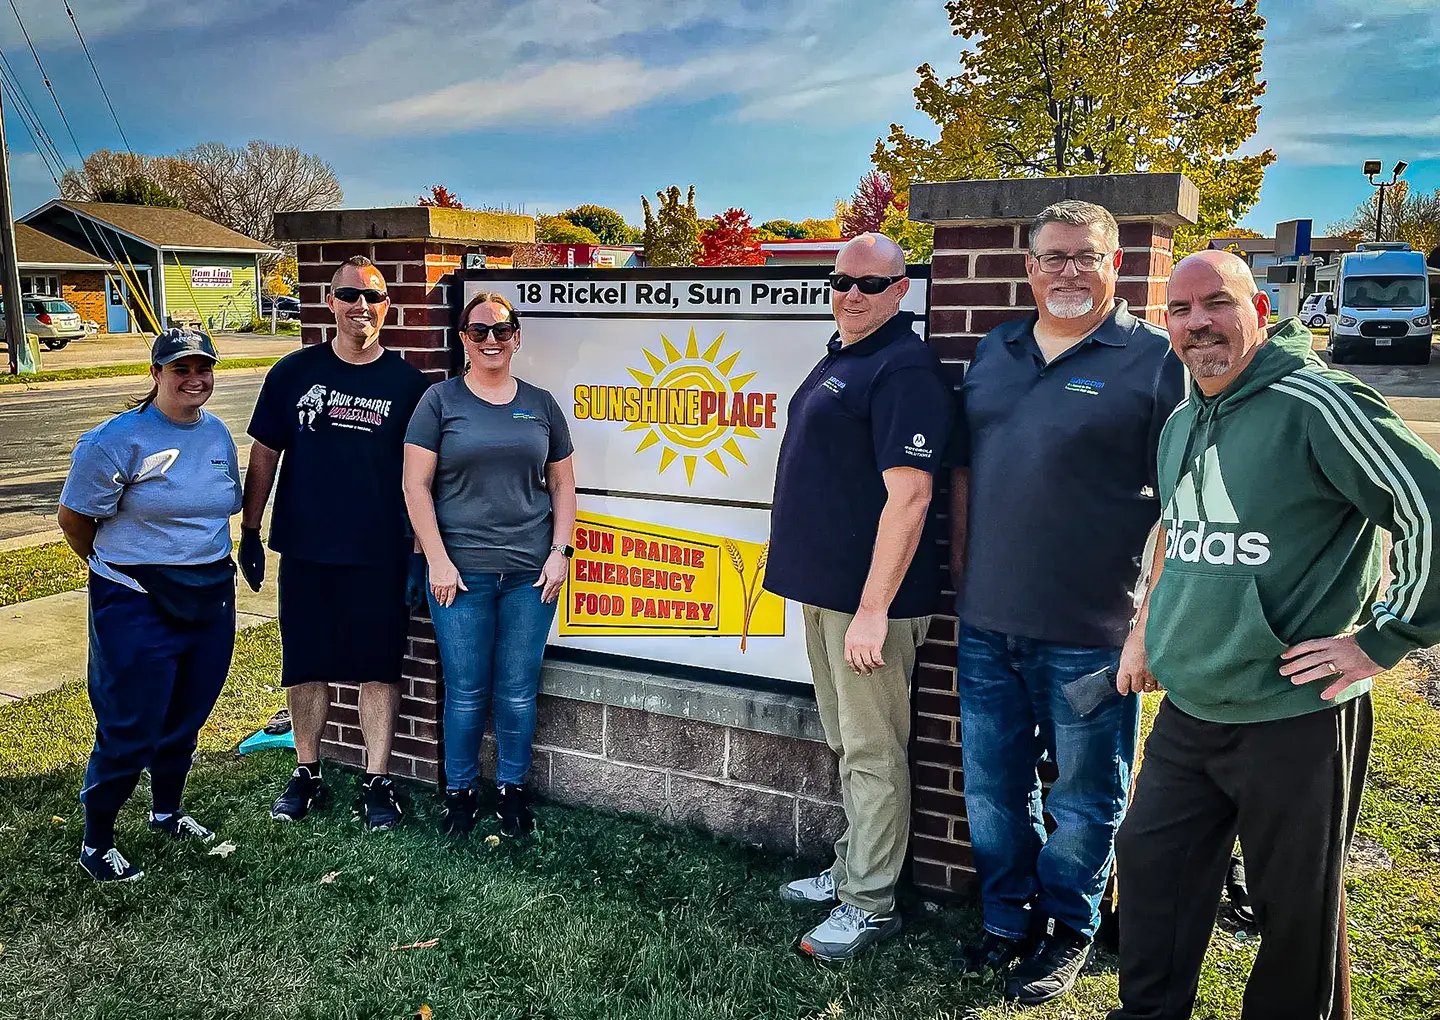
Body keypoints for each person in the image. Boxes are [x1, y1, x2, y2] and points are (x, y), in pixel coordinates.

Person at [1108, 250, 1440, 1020]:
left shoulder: (1317, 402)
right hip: (1193, 708)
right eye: (1181, 311)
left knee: (1295, 908)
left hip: (1296, 711)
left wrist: (1382, 641)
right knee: (1154, 867)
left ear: (1258, 306)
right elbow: (1177, 538)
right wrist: (1145, 633)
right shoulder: (1184, 420)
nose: (1199, 324)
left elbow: (1429, 510)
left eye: (1216, 304)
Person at [948, 199, 1185, 1004]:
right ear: (1028, 268)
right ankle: (1004, 918)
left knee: (1085, 799)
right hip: (986, 624)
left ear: (1115, 264)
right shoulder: (996, 348)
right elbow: (970, 476)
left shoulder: (1155, 360)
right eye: (1052, 256)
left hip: (1093, 631)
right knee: (990, 789)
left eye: (1085, 255)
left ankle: (1069, 929)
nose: (1068, 271)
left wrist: (1148, 623)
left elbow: (1183, 505)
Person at [765, 233, 953, 961]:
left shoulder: (905, 369)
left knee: (873, 752)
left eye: (869, 285)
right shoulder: (848, 353)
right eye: (839, 279)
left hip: (872, 605)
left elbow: (910, 500)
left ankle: (871, 904)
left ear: (902, 291)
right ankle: (851, 869)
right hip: (828, 594)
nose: (849, 293)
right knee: (848, 744)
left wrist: (874, 610)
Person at [239, 256, 430, 831]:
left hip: (379, 552)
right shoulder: (292, 374)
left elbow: (423, 476)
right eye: (349, 296)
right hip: (306, 548)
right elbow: (265, 454)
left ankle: (378, 781)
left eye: (372, 297)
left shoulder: (407, 385)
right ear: (330, 302)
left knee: (379, 668)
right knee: (304, 666)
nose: (360, 307)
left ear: (386, 306)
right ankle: (307, 772)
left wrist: (420, 552)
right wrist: (249, 530)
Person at [57, 328, 242, 882]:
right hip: (135, 599)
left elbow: (221, 505)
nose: (193, 378)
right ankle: (97, 841)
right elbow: (75, 520)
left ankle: (167, 811)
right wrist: (125, 567)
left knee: (187, 714)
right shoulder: (115, 441)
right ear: (155, 373)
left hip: (208, 594)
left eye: (202, 368)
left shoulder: (216, 436)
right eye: (179, 369)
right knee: (130, 724)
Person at [402, 291, 576, 838]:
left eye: (502, 330)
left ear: (517, 336)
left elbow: (563, 483)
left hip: (530, 574)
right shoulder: (439, 402)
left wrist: (560, 553)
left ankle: (511, 790)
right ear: (463, 340)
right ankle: (458, 792)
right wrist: (437, 560)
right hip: (460, 574)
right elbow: (415, 484)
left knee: (519, 690)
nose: (492, 340)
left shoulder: (542, 405)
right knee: (467, 689)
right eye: (479, 332)